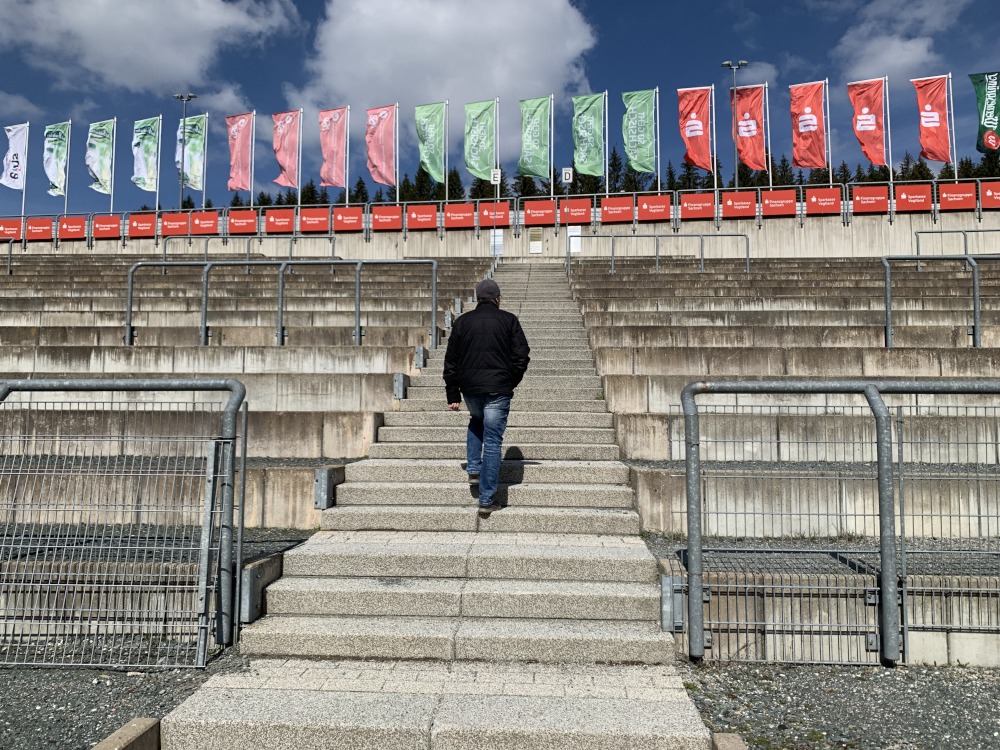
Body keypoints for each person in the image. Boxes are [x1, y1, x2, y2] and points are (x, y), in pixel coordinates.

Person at [443, 278, 530, 515]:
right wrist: (510, 380)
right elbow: (522, 355)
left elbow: (451, 360)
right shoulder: (508, 320)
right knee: (492, 442)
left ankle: (474, 470)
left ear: (478, 299)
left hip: (470, 389)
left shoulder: (462, 322)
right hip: (498, 390)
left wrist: (453, 392)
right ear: (497, 298)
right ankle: (487, 499)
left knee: (476, 421)